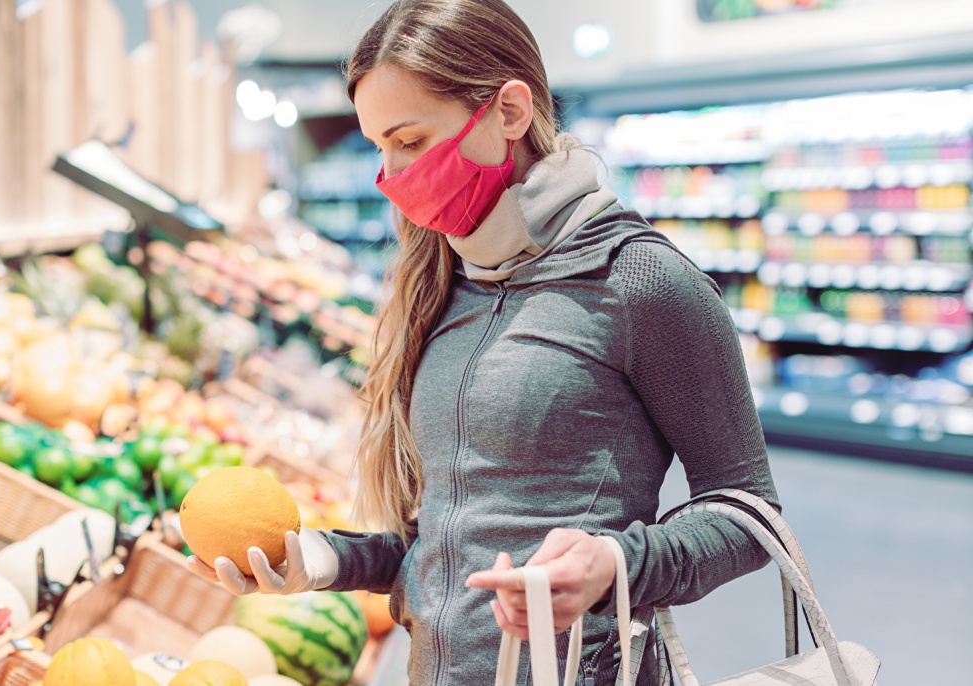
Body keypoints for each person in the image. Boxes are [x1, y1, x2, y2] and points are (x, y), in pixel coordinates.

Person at [188, 1, 779, 684]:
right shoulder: (444, 283)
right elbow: (447, 540)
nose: (393, 177)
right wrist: (321, 560)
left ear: (509, 112)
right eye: (380, 147)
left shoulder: (640, 279)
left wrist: (616, 565)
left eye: (409, 142)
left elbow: (747, 510)